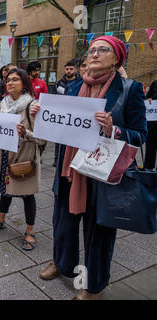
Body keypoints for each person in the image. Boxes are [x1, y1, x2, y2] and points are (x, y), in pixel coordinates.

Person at [35, 35, 147, 300]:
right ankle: (63, 264)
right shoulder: (73, 87)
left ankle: (94, 285)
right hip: (69, 170)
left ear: (117, 58)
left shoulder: (130, 90)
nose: (94, 54)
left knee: (99, 232)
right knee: (63, 222)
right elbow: (58, 125)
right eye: (92, 49)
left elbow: (140, 134)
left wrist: (114, 130)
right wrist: (39, 116)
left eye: (103, 50)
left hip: (102, 175)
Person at [0, 68, 46, 251]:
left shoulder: (33, 106)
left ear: (24, 83)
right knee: (5, 189)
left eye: (15, 79)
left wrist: (26, 134)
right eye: (8, 80)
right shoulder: (3, 104)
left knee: (27, 194)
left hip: (23, 158)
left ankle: (30, 231)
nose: (10, 82)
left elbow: (42, 138)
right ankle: (0, 220)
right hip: (4, 157)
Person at [51, 60, 81, 167]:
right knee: (58, 139)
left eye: (71, 69)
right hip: (60, 116)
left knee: (72, 139)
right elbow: (53, 99)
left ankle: (71, 159)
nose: (68, 71)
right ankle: (57, 158)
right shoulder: (59, 83)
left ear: (75, 70)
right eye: (67, 69)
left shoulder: (80, 83)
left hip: (74, 116)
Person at [145, 79, 157, 170]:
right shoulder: (155, 83)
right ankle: (148, 169)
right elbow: (148, 97)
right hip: (152, 122)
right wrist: (148, 99)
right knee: (150, 147)